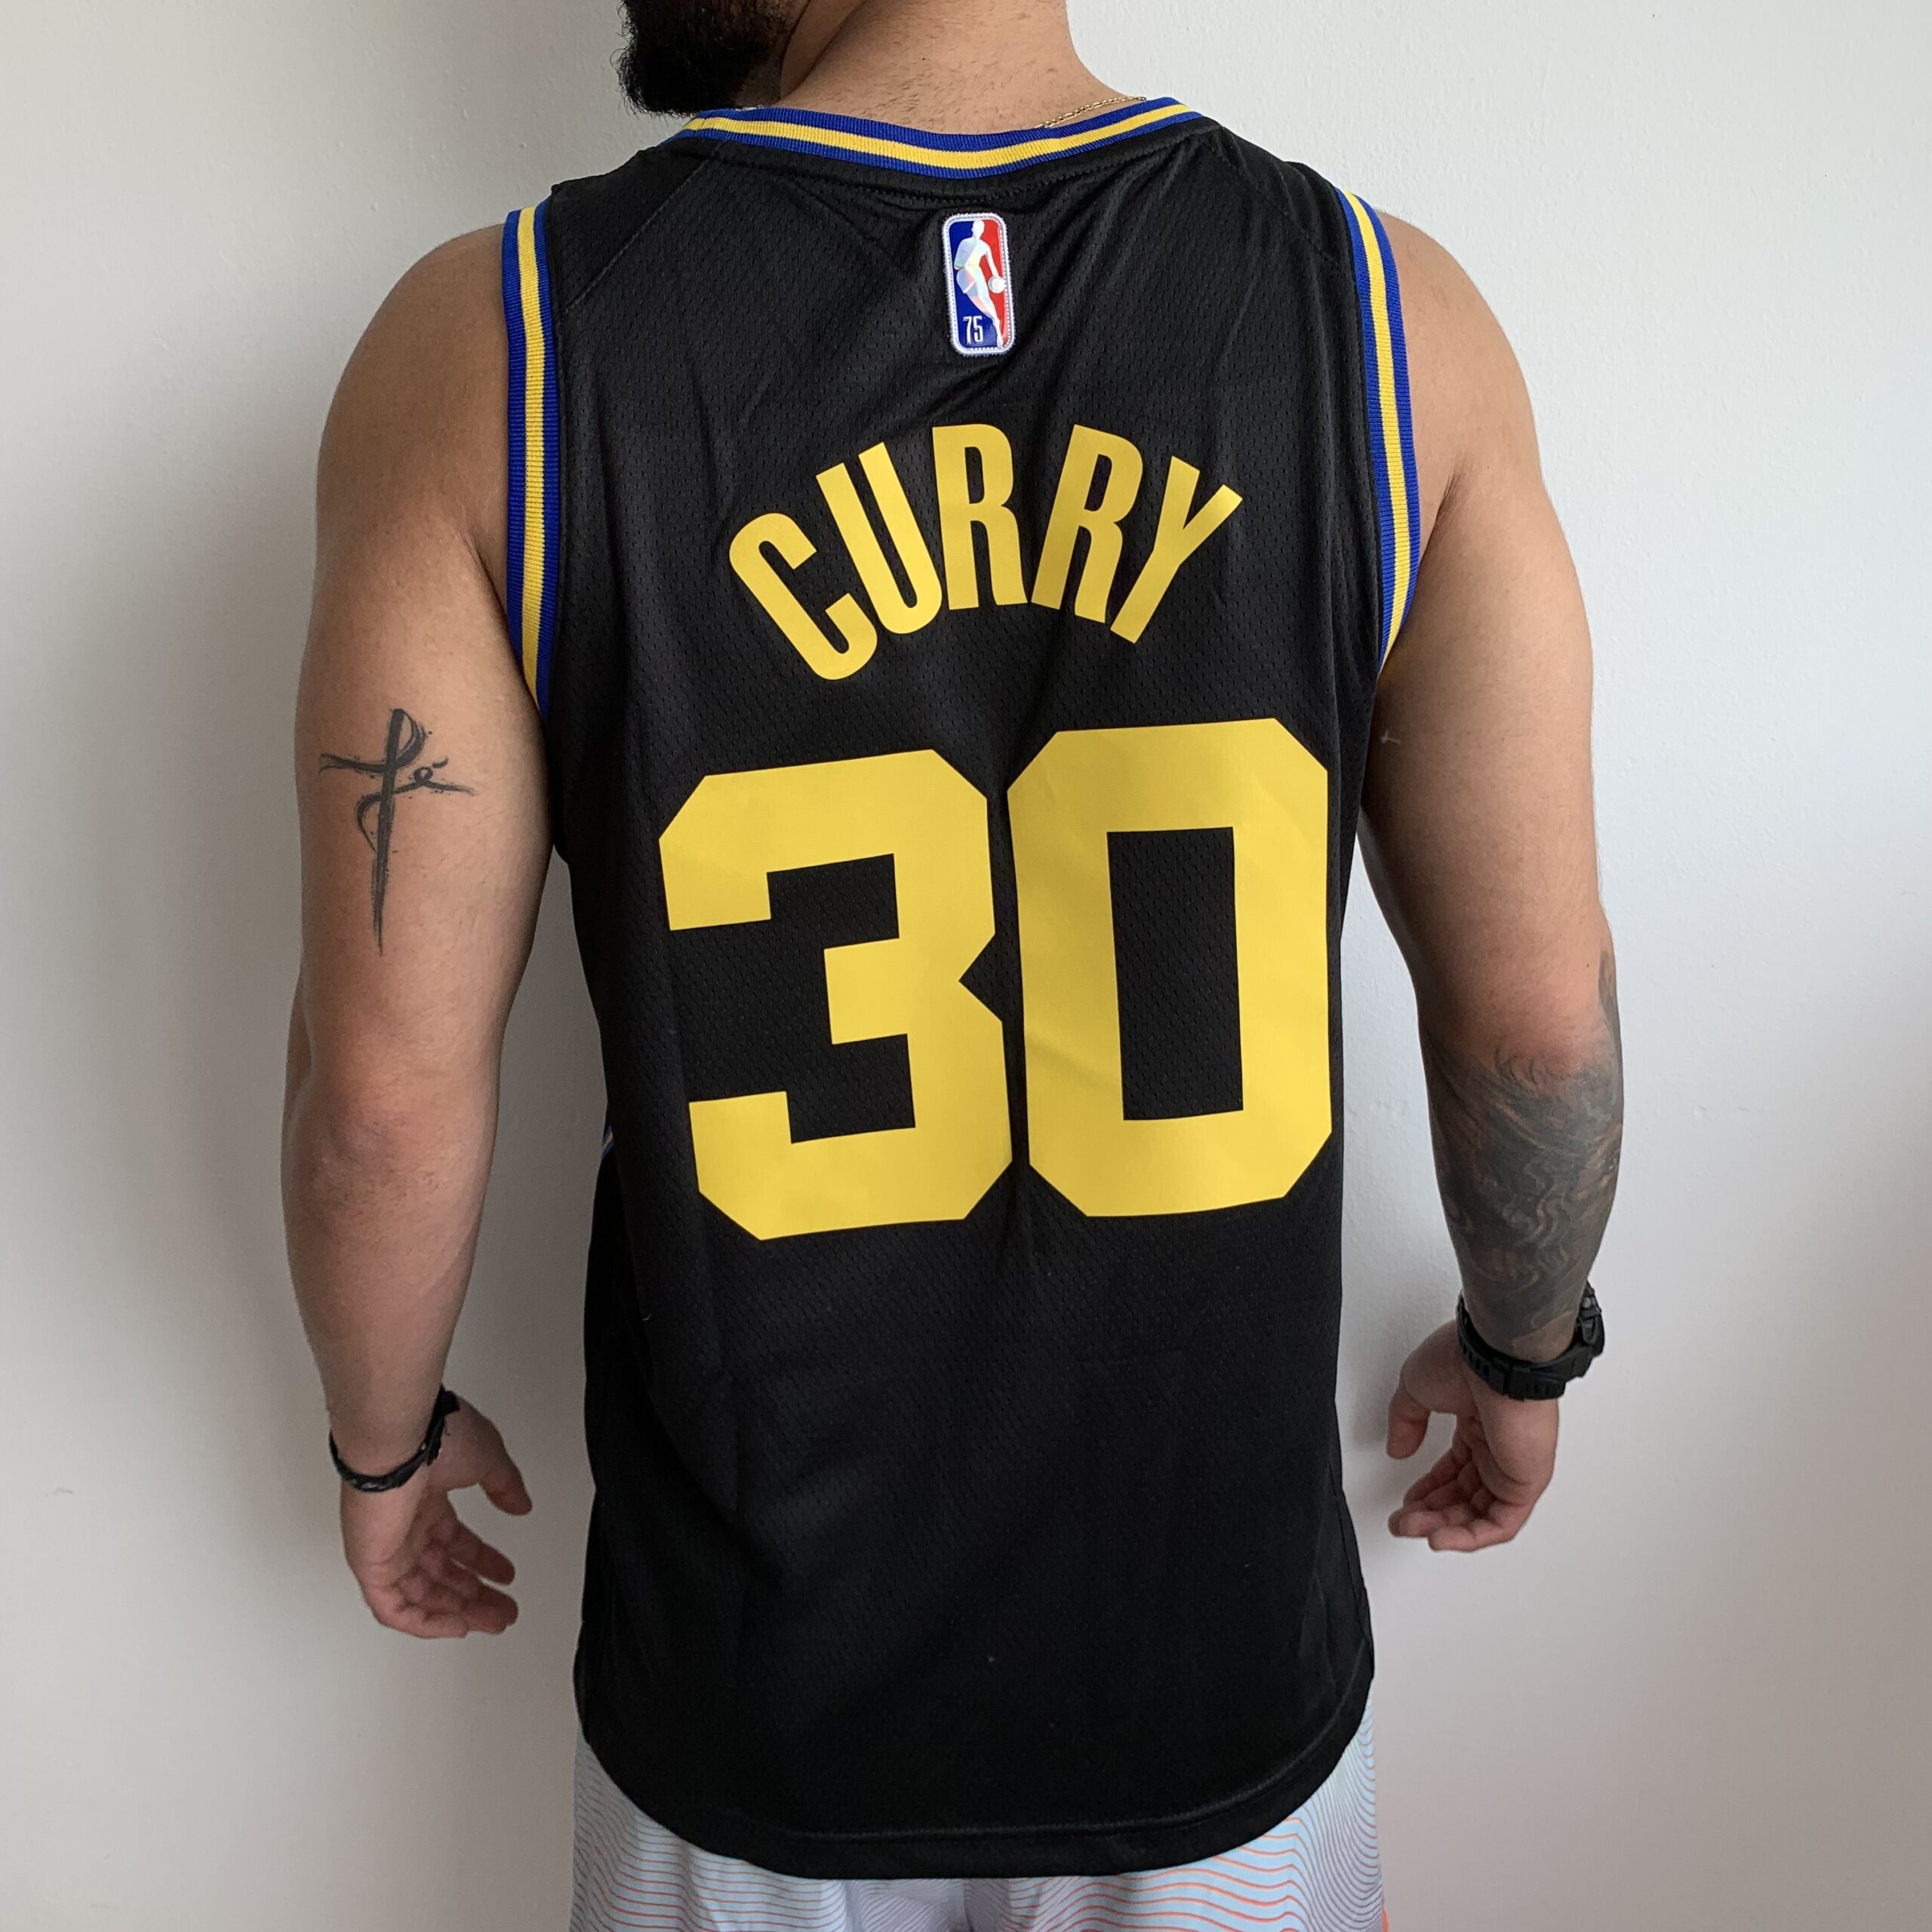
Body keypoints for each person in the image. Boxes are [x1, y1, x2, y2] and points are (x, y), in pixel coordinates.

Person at [280, 1, 1623, 1926]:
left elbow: (379, 1108)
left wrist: (381, 1441)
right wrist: (1520, 1345)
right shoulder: (1386, 324)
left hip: (754, 1716)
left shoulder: (491, 350)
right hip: (1215, 1699)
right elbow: (1537, 1029)